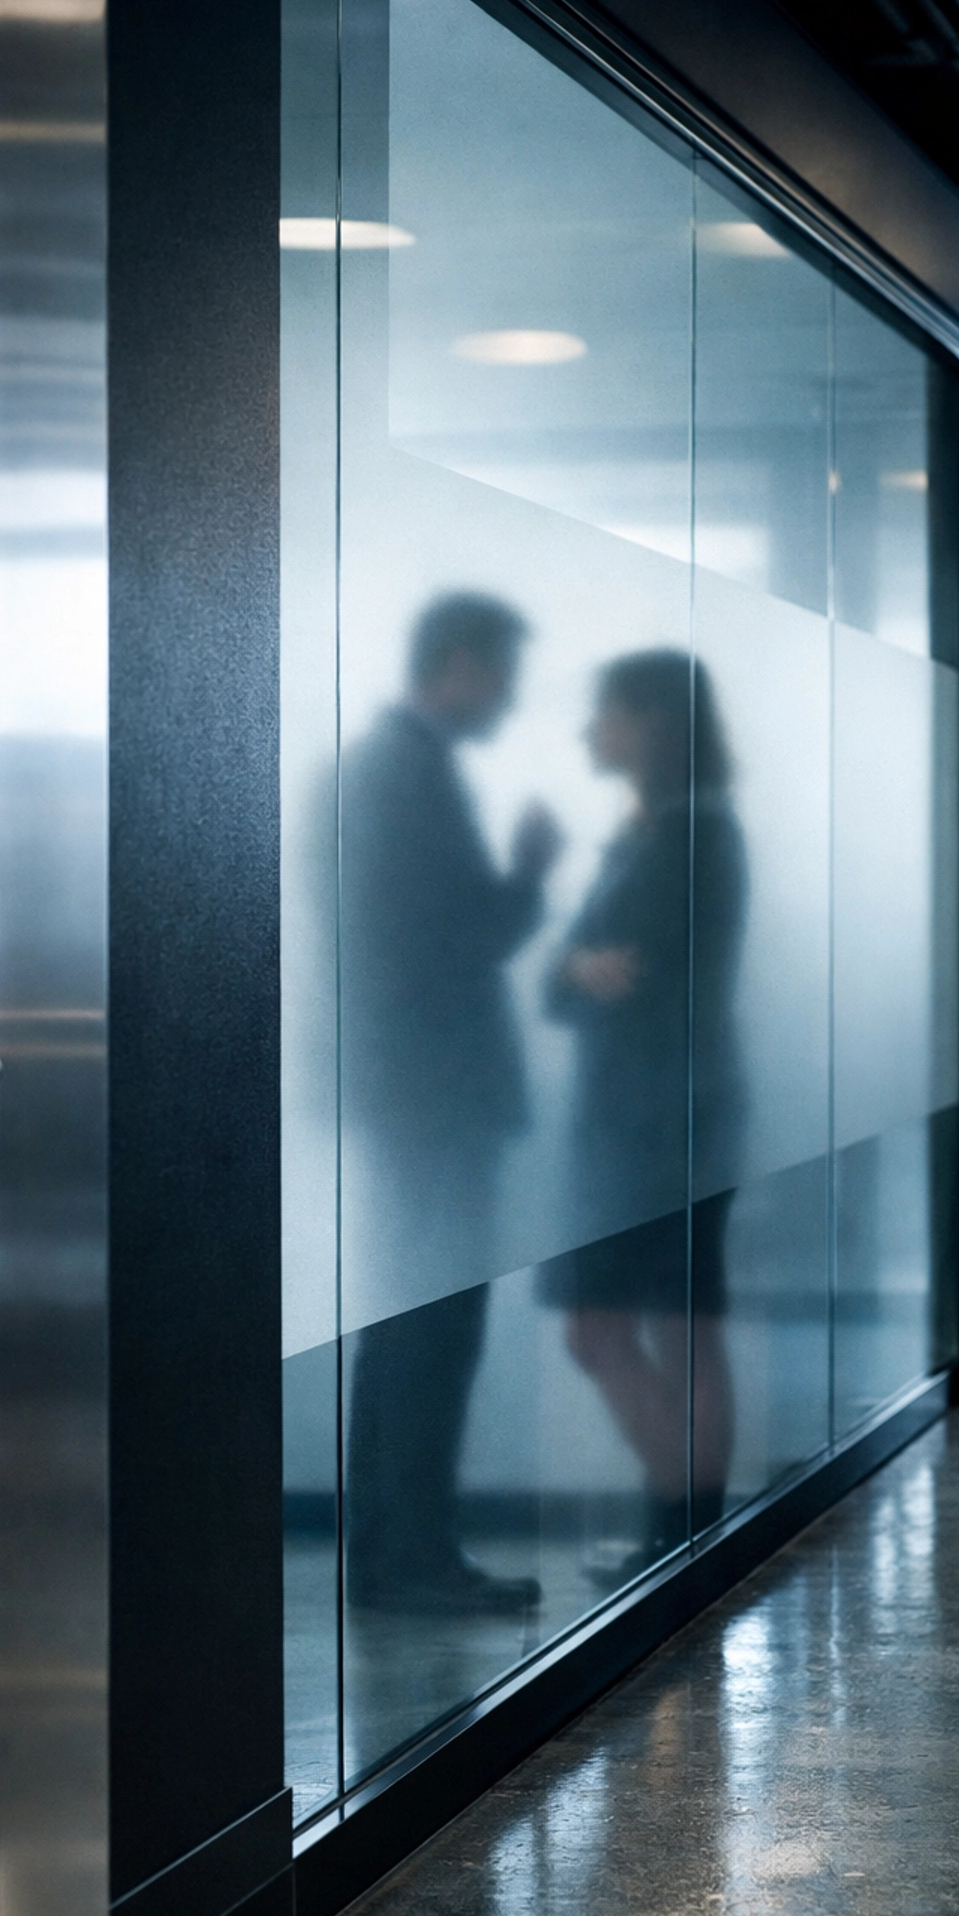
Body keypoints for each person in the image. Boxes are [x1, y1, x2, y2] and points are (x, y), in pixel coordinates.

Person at [339, 593, 562, 1615]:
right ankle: (411, 1560)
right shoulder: (403, 775)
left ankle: (396, 1552)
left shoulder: (389, 769)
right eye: (503, 678)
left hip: (409, 1096)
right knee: (428, 1329)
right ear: (461, 664)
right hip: (430, 1100)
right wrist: (527, 875)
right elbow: (452, 943)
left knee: (408, 1324)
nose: (507, 703)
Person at [541, 651, 746, 1577]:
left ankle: (684, 1529)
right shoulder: (663, 831)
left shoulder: (683, 838)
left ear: (652, 723)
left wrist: (575, 971)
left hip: (659, 1125)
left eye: (607, 712)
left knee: (637, 1325)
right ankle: (684, 1527)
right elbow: (569, 980)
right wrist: (573, 969)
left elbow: (620, 980)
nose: (592, 730)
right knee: (654, 1324)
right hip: (655, 1118)